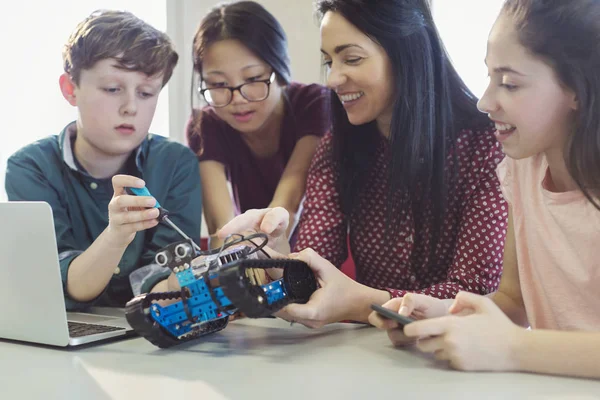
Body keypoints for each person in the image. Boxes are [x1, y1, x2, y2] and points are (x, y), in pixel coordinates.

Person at [218, 0, 508, 328]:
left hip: (462, 353)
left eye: (351, 58)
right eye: (329, 61)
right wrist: (277, 251)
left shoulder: (487, 147)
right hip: (368, 354)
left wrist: (363, 303)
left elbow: (477, 292)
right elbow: (315, 267)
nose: (333, 78)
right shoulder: (336, 149)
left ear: (405, 52)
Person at [369, 0, 600, 379]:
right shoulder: (522, 168)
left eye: (509, 83)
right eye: (490, 78)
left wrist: (511, 347)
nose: (484, 101)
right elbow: (512, 300)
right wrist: (445, 316)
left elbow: (515, 338)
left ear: (578, 87)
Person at [5, 10, 202, 311]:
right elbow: (61, 284)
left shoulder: (176, 164)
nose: (131, 107)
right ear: (70, 89)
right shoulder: (31, 168)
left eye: (147, 92)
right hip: (66, 336)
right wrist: (116, 236)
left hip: (148, 335)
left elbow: (164, 281)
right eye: (113, 89)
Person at [186, 1, 329, 249]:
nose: (238, 99)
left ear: (280, 68)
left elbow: (289, 202)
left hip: (313, 250)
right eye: (219, 84)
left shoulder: (314, 104)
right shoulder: (207, 124)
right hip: (256, 250)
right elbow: (221, 228)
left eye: (252, 78)